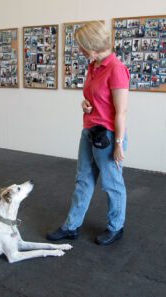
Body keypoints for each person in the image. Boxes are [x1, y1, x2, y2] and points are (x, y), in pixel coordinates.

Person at [47, 21, 130, 246]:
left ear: (93, 46)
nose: (80, 51)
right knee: (83, 180)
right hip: (89, 130)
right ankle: (71, 226)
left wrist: (119, 144)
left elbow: (121, 111)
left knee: (112, 184)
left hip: (109, 135)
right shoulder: (93, 66)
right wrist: (85, 104)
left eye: (82, 47)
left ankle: (116, 227)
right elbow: (93, 97)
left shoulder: (116, 69)